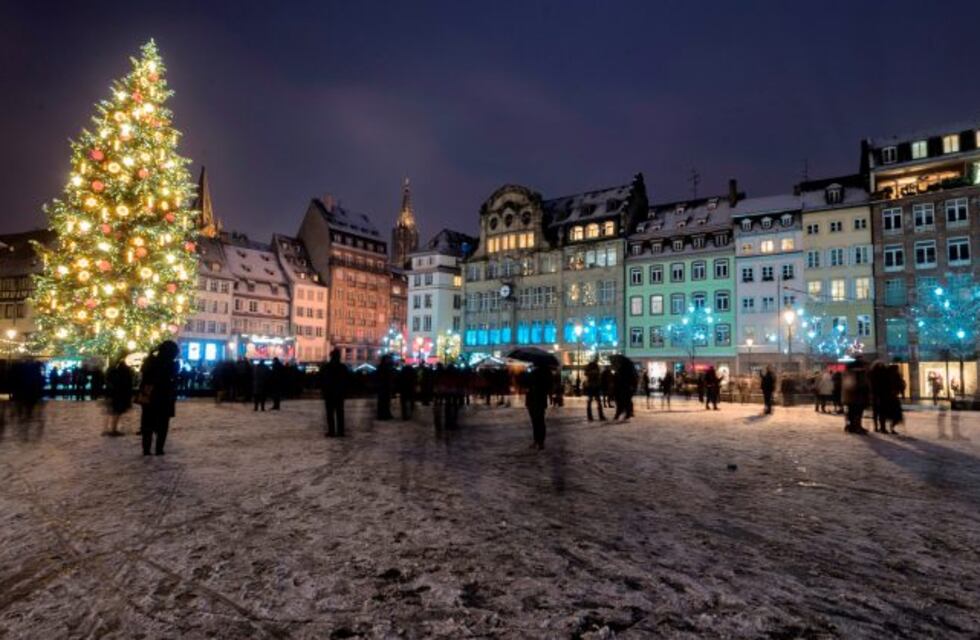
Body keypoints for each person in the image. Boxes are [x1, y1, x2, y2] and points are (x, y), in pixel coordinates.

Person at [137, 340, 179, 456]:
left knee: (147, 423)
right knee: (163, 425)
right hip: (165, 398)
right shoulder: (172, 364)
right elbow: (173, 381)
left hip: (149, 396)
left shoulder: (150, 361)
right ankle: (159, 449)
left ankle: (146, 449)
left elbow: (144, 376)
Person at [319, 349, 350, 437]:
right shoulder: (343, 367)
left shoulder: (326, 367)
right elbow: (347, 380)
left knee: (330, 414)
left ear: (331, 356)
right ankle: (340, 431)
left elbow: (321, 379)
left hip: (329, 393)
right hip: (339, 393)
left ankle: (331, 431)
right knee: (340, 413)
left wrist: (323, 390)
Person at [524, 364, 552, 450]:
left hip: (534, 399)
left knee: (537, 421)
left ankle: (538, 441)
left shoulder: (535, 373)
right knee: (539, 421)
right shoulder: (547, 373)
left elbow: (527, 384)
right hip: (539, 400)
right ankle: (539, 441)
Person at [104, 359, 134, 436]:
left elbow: (109, 382)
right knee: (117, 412)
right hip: (120, 395)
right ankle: (113, 429)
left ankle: (110, 428)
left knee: (113, 412)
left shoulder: (114, 372)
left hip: (114, 394)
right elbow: (128, 385)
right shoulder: (125, 373)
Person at [842, 359, 870, 434]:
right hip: (857, 397)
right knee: (857, 412)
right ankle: (856, 427)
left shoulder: (850, 373)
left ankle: (853, 426)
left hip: (851, 397)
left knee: (853, 412)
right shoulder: (858, 374)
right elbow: (858, 385)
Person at [583, 357, 606, 422]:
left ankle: (596, 416)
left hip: (594, 385)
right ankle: (594, 416)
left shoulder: (595, 366)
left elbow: (597, 375)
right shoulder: (591, 366)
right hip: (592, 386)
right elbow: (586, 373)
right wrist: (593, 373)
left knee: (595, 402)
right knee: (592, 401)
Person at [376, 354, 394, 420]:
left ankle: (386, 414)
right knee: (383, 401)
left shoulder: (385, 367)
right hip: (383, 387)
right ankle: (382, 415)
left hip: (385, 387)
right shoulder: (383, 367)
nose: (389, 360)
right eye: (388, 359)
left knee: (386, 401)